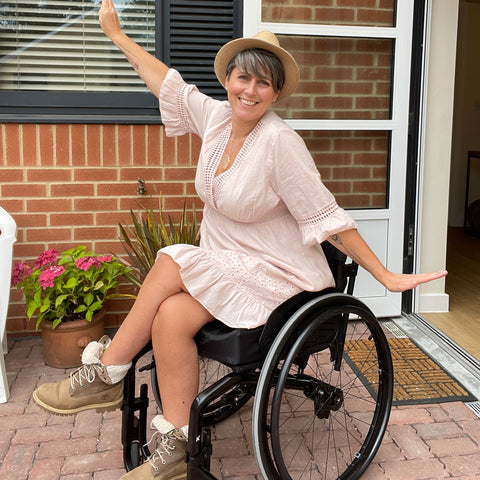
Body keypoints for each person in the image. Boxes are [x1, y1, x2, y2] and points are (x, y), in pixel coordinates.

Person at [32, 1, 448, 479]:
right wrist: (118, 36)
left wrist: (386, 275)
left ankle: (107, 372)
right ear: (228, 79)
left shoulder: (279, 143)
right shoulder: (214, 120)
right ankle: (176, 447)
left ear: (274, 93)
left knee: (169, 259)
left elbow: (327, 217)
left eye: (263, 83)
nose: (250, 90)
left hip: (277, 273)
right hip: (227, 265)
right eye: (243, 78)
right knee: (169, 315)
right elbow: (167, 83)